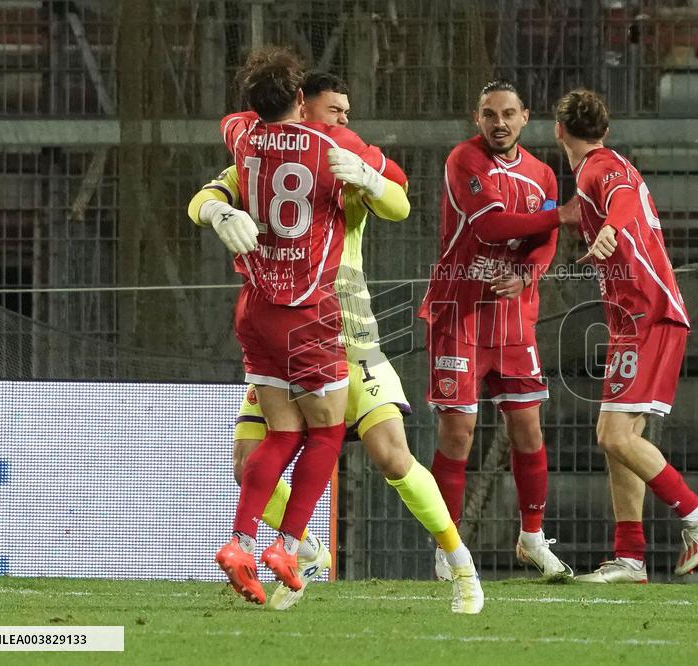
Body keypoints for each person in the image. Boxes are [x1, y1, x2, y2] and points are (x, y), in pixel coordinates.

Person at [189, 72, 483, 614]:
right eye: (334, 109)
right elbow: (213, 187)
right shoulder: (268, 148)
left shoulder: (340, 155)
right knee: (245, 460)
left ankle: (459, 563)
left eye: (348, 111)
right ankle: (304, 548)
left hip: (349, 329)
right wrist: (217, 208)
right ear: (303, 107)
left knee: (392, 456)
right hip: (288, 325)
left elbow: (399, 199)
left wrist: (370, 179)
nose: (343, 118)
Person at [203, 46, 390, 606]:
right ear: (302, 100)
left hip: (254, 308)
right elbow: (392, 180)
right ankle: (287, 544)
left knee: (282, 432)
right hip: (308, 311)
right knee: (327, 431)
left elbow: (233, 120)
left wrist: (219, 205)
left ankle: (239, 541)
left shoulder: (241, 134)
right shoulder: (333, 144)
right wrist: (371, 175)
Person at [550, 88, 698, 580]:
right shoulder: (605, 169)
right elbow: (574, 211)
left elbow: (622, 204)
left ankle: (697, 514)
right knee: (621, 438)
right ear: (604, 130)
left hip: (645, 314)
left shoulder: (595, 169)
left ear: (557, 129)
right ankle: (629, 557)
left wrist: (609, 229)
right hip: (637, 315)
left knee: (613, 435)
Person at [419, 80, 580, 581]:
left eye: (508, 113)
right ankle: (449, 548)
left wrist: (529, 273)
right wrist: (563, 214)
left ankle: (532, 538)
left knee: (527, 428)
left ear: (526, 116)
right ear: (477, 117)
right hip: (459, 311)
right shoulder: (463, 161)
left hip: (513, 320)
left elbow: (545, 242)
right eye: (490, 114)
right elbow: (489, 227)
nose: (500, 123)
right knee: (458, 433)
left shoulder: (542, 175)